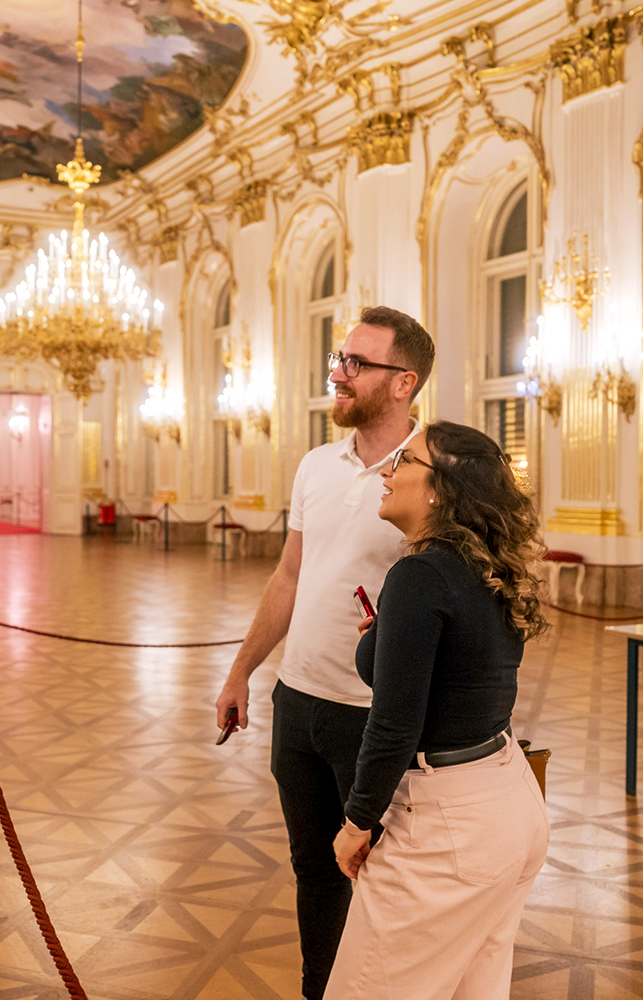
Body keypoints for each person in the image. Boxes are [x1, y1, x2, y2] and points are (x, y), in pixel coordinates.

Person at [215, 306, 435, 1000]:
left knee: (385, 877)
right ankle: (321, 991)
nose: (339, 373)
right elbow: (289, 575)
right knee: (314, 868)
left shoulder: (434, 473)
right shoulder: (317, 464)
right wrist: (242, 670)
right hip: (298, 703)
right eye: (339, 359)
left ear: (404, 383)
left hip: (374, 717)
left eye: (356, 363)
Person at [324, 422, 551, 1000]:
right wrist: (389, 637)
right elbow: (463, 671)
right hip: (509, 802)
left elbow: (395, 723)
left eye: (404, 460)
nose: (387, 470)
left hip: (449, 826)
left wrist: (357, 823)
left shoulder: (420, 574)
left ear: (439, 490)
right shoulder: (485, 567)